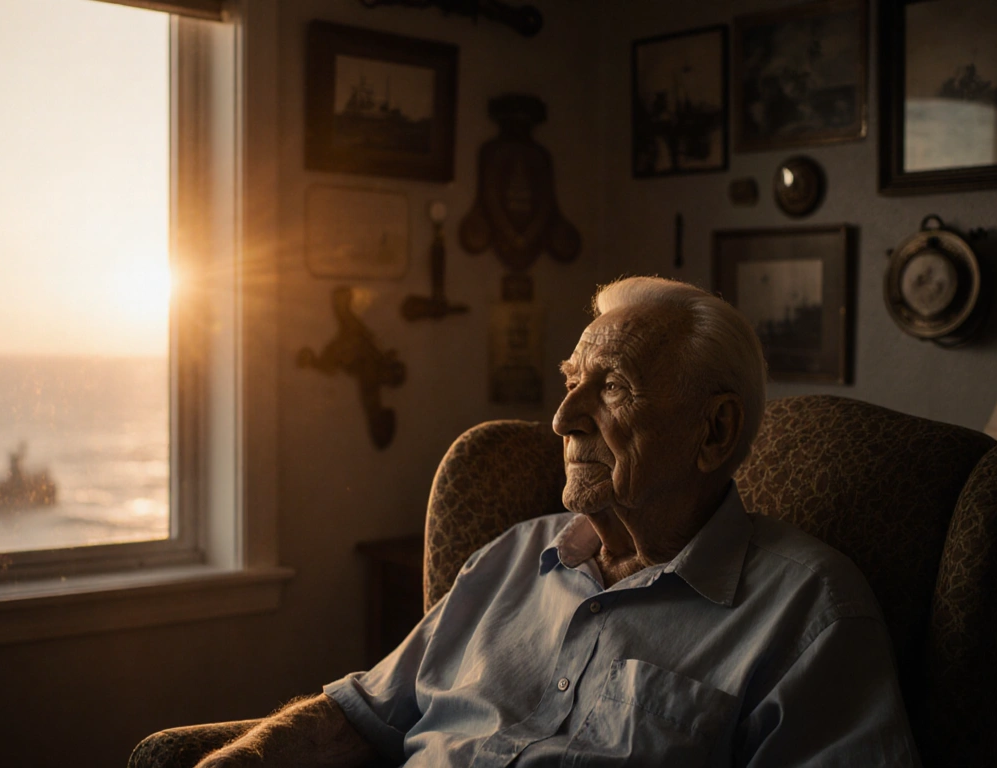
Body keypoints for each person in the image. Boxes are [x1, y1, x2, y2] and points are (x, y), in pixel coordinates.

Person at [196, 276, 918, 767]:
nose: (564, 418)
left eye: (613, 388)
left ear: (715, 431)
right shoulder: (511, 558)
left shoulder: (810, 612)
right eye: (572, 382)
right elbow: (360, 714)